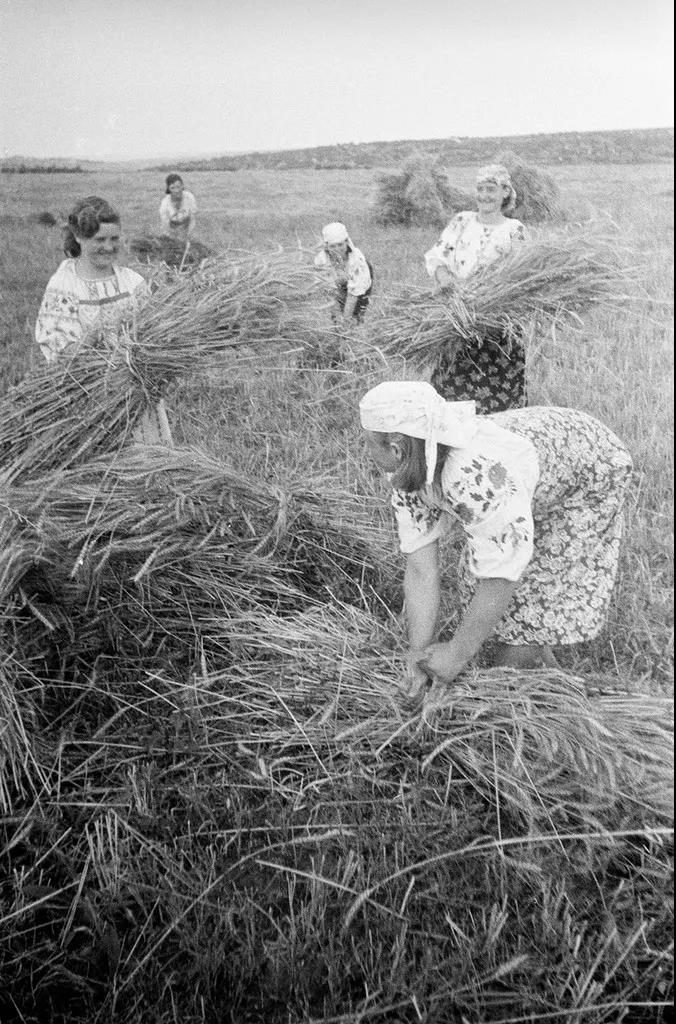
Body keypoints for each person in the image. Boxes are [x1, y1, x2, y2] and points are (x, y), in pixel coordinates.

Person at [360, 381, 632, 702]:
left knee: (519, 623)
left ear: (396, 448)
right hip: (530, 472)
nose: (366, 452)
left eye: (368, 443)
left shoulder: (475, 477)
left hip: (588, 469)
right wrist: (418, 654)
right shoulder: (409, 470)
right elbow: (421, 568)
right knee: (479, 584)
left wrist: (456, 655)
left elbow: (501, 575)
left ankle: (567, 695)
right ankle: (547, 675)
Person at [35, 195, 172, 444]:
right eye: (99, 239)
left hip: (138, 396)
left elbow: (156, 334)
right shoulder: (65, 285)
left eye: (114, 238)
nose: (108, 247)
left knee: (148, 463)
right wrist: (97, 335)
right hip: (90, 399)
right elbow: (58, 350)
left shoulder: (131, 282)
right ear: (78, 237)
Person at [423, 164, 527, 414]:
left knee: (498, 402)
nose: (484, 195)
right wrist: (444, 276)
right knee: (451, 397)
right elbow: (437, 255)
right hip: (456, 322)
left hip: (496, 326)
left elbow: (522, 276)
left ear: (505, 192)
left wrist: (491, 295)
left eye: (490, 189)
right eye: (480, 189)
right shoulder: (461, 221)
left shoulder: (516, 230)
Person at [314, 222, 373, 323]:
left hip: (357, 286)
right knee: (337, 319)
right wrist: (338, 318)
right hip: (336, 287)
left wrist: (346, 319)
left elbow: (354, 294)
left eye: (340, 244)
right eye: (333, 246)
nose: (337, 249)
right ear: (327, 246)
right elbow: (329, 292)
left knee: (355, 317)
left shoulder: (356, 259)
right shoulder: (322, 261)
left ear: (346, 242)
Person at [159, 173, 197, 242]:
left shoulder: (189, 197)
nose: (176, 191)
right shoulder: (165, 204)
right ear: (168, 189)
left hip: (187, 230)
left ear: (182, 186)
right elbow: (165, 226)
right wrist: (174, 240)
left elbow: (192, 219)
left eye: (178, 187)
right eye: (172, 188)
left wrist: (188, 236)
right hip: (172, 232)